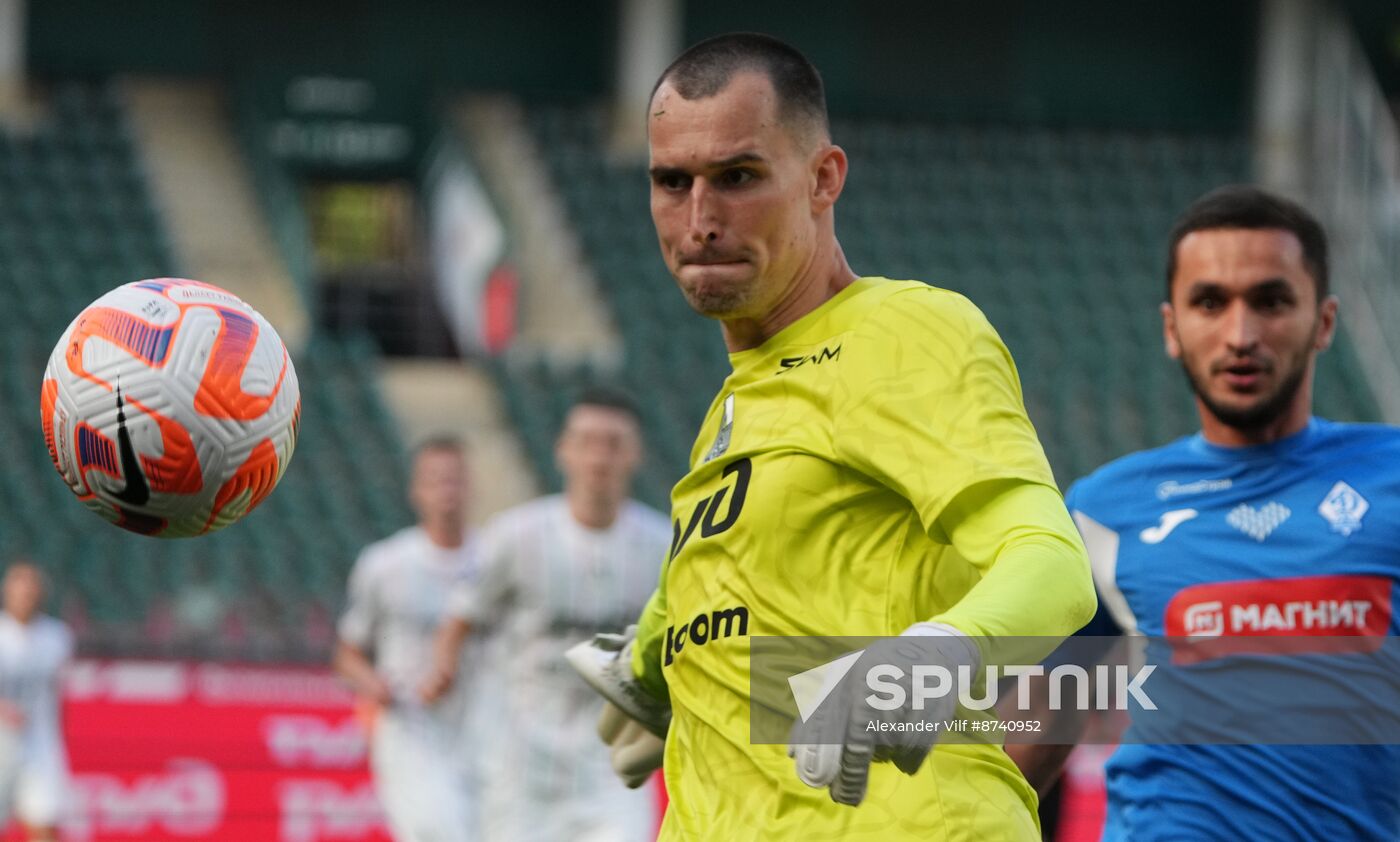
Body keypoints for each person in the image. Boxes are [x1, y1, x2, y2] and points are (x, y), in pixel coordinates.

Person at [567, 32, 1097, 840]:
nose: (700, 219)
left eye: (738, 177)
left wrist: (932, 660)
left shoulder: (904, 332)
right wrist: (654, 671)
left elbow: (1052, 566)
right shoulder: (736, 409)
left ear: (823, 179)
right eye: (673, 182)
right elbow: (724, 581)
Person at [1021, 185, 1400, 839]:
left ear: (1325, 321)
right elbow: (1037, 730)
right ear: (1173, 329)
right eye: (1210, 303)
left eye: (1272, 301)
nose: (1241, 334)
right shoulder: (1104, 506)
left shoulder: (1390, 475)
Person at [430, 386, 670, 842]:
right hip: (522, 761)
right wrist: (444, 670)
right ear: (564, 450)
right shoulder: (516, 537)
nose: (599, 458)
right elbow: (461, 617)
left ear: (634, 454)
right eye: (587, 442)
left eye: (614, 444)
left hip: (612, 764)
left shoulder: (663, 546)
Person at [333, 437, 479, 842]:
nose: (446, 490)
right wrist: (374, 686)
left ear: (470, 487)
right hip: (410, 731)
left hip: (481, 730)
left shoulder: (494, 560)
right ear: (416, 490)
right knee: (435, 831)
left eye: (455, 479)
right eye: (435, 480)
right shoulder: (386, 564)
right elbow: (347, 654)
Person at [0, 562, 73, 842]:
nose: (25, 594)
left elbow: (57, 696)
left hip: (39, 745)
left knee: (43, 826)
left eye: (31, 587)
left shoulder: (57, 637)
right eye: (19, 586)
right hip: (2, 746)